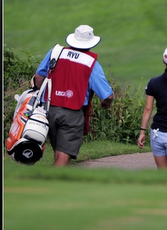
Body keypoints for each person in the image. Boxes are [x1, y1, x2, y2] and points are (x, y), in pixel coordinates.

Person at [34, 25, 114, 166]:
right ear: (90, 44)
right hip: (72, 113)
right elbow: (108, 96)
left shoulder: (56, 52)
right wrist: (106, 104)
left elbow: (38, 78)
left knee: (58, 153)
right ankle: (51, 186)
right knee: (63, 156)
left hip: (48, 109)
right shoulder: (91, 63)